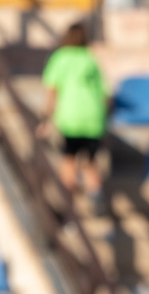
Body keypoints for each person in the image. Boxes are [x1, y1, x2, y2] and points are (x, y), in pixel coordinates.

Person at [36, 23, 106, 209]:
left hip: (70, 117)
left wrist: (45, 120)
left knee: (69, 159)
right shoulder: (90, 59)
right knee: (90, 162)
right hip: (93, 117)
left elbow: (51, 92)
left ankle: (67, 204)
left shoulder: (60, 58)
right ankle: (95, 193)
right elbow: (104, 94)